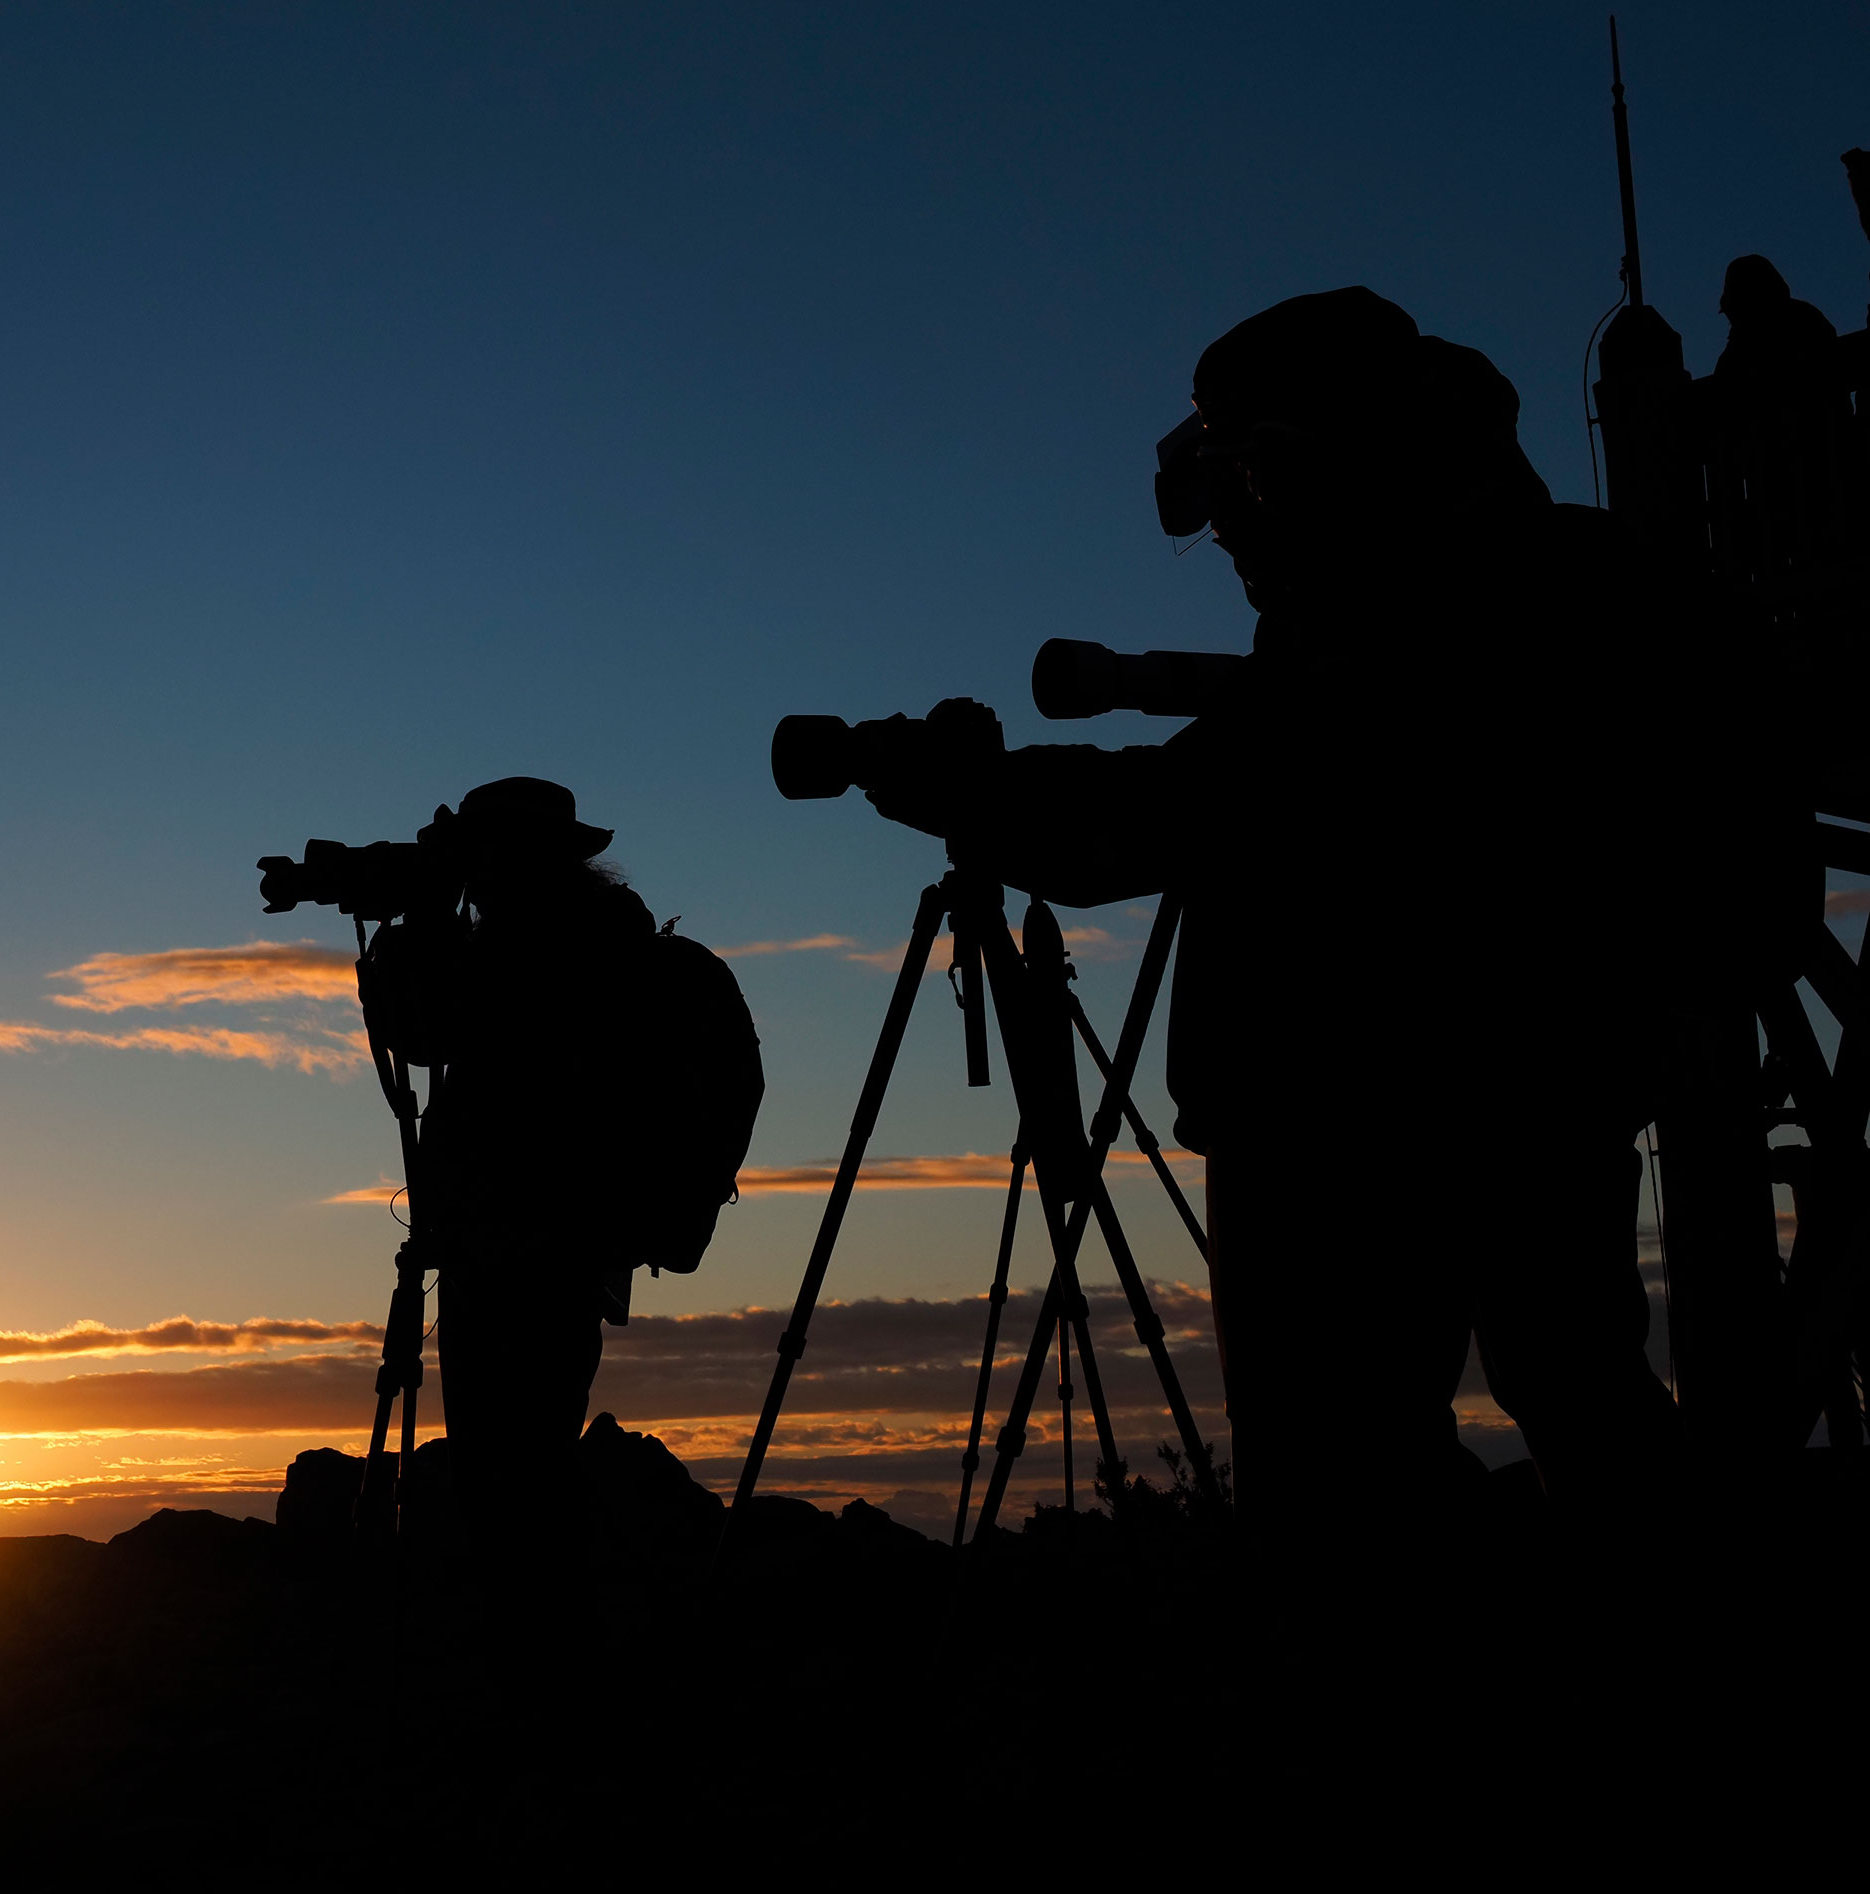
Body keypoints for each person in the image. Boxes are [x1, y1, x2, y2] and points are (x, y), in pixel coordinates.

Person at [867, 288, 1815, 1541]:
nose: (1237, 535)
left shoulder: (1436, 623)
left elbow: (1180, 812)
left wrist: (976, 797)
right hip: (1530, 1094)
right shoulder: (1524, 591)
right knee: (1573, 1402)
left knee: (1358, 1471)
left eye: (1253, 486)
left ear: (1333, 463)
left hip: (1361, 1116)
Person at [414, 776, 657, 1564]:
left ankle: (535, 1651)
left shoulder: (549, 947)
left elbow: (423, 1027)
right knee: (514, 1463)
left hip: (531, 1241)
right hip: (533, 1239)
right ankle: (536, 1636)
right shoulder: (587, 935)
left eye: (484, 857)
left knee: (513, 1469)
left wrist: (424, 916)